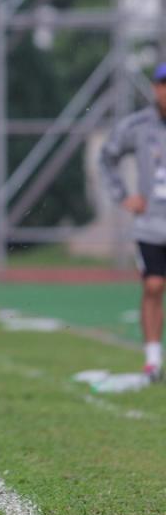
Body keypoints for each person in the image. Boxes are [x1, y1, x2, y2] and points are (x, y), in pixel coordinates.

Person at [98, 62, 166, 382]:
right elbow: (107, 156)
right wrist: (123, 195)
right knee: (153, 285)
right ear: (155, 88)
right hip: (151, 223)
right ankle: (153, 359)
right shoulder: (139, 126)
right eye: (163, 84)